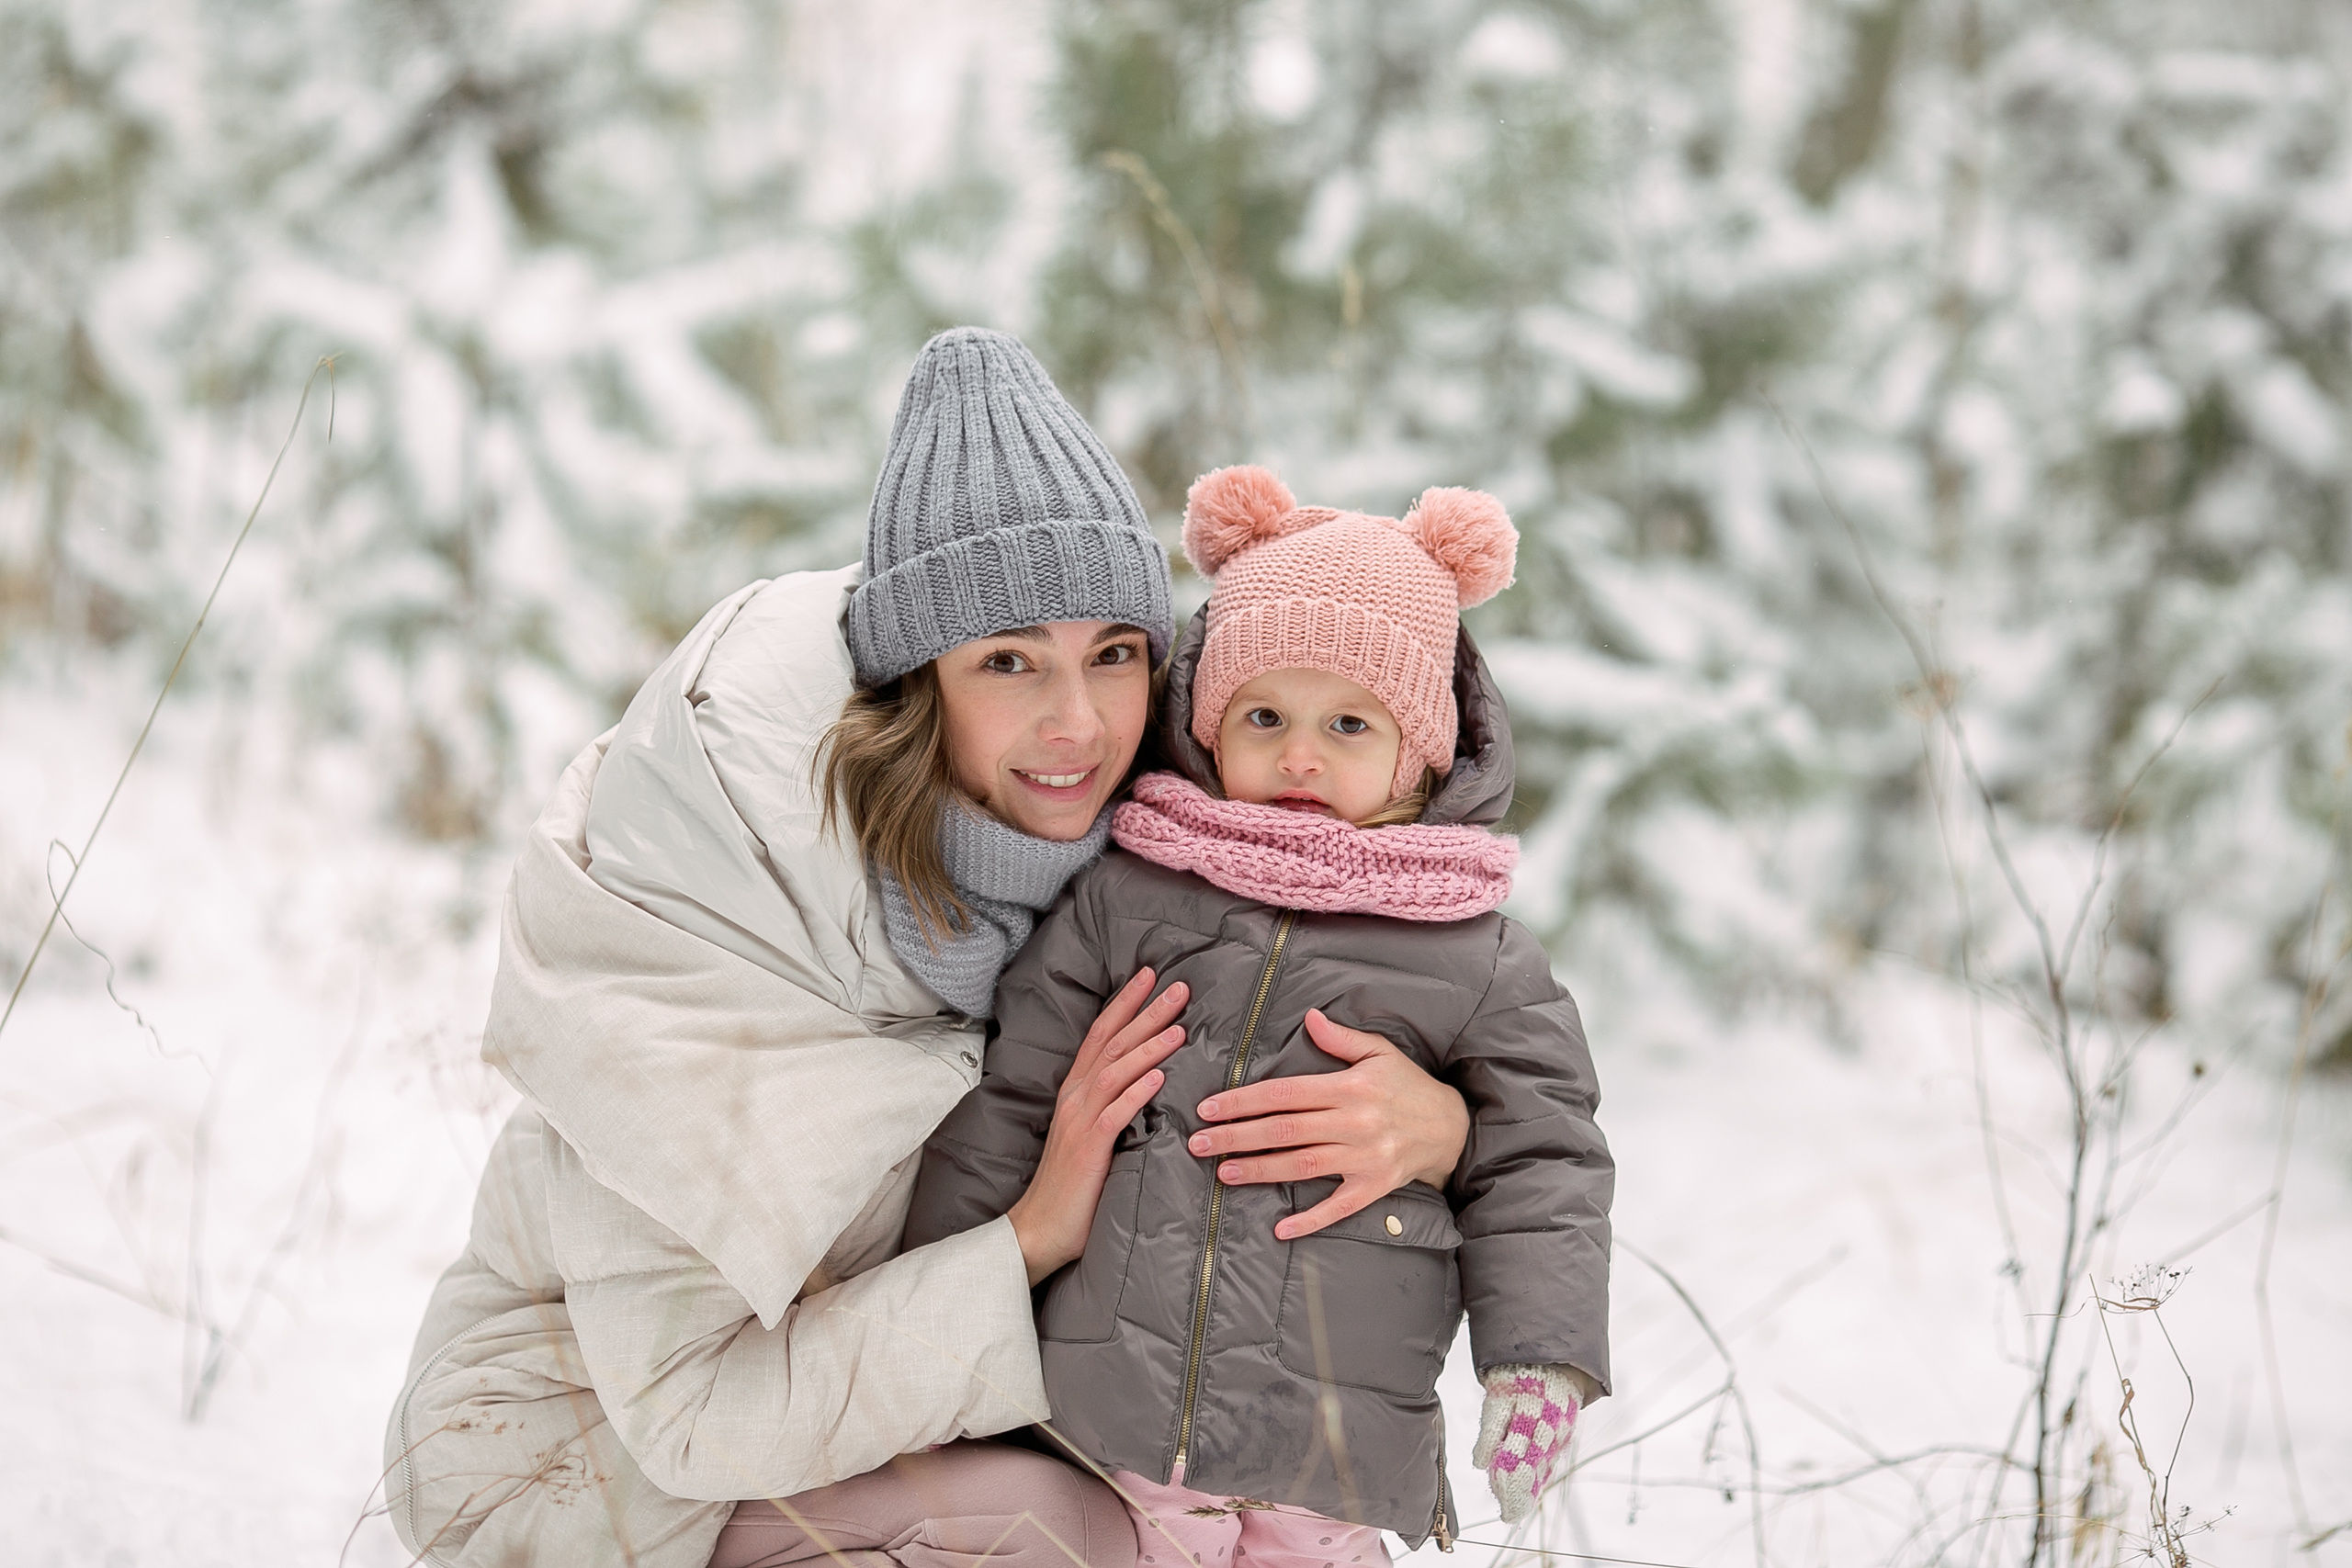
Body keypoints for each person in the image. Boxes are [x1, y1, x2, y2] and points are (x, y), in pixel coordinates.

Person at [381, 332, 1475, 1568]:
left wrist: (1435, 1124)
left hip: (900, 1422)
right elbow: (693, 1414)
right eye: (1009, 661)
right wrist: (1032, 1235)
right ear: (918, 682)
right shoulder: (733, 907)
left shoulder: (1124, 857)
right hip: (578, 1462)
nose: (1078, 722)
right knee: (1060, 1535)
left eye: (1113, 653)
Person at [905, 464, 1613, 1566]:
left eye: (1348, 723)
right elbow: (1015, 1099)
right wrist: (928, 1304)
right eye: (1265, 715)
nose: (1299, 754)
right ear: (1208, 724)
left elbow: (1544, 1160)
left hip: (1332, 1439)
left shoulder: (1476, 953)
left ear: (1421, 750)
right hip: (1117, 1413)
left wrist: (1538, 1362)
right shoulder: (1126, 896)